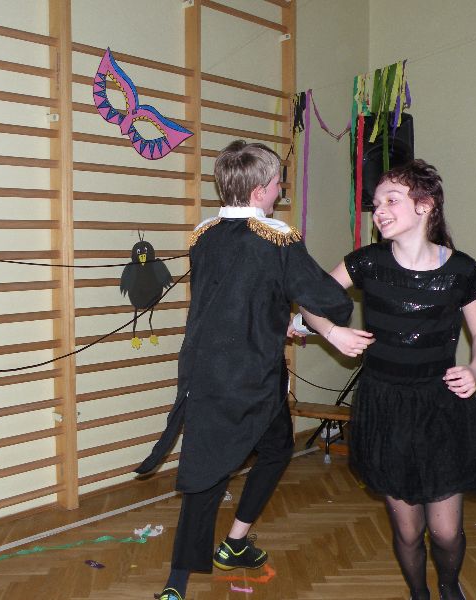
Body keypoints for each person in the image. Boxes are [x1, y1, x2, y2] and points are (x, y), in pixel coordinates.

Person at [135, 140, 355, 600]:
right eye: (277, 184)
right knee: (227, 466)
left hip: (206, 369)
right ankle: (209, 560)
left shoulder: (204, 234)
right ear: (259, 192)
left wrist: (280, 322)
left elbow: (239, 298)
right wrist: (347, 288)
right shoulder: (277, 237)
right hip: (249, 376)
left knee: (242, 457)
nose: (281, 191)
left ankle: (194, 571)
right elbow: (322, 296)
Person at [299, 159, 476, 600]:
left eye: (392, 200)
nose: (380, 211)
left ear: (426, 205)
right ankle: (419, 594)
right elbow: (310, 300)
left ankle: (448, 586)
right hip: (384, 406)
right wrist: (332, 331)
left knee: (445, 532)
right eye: (376, 204)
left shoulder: (462, 270)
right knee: (408, 532)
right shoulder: (367, 263)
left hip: (440, 406)